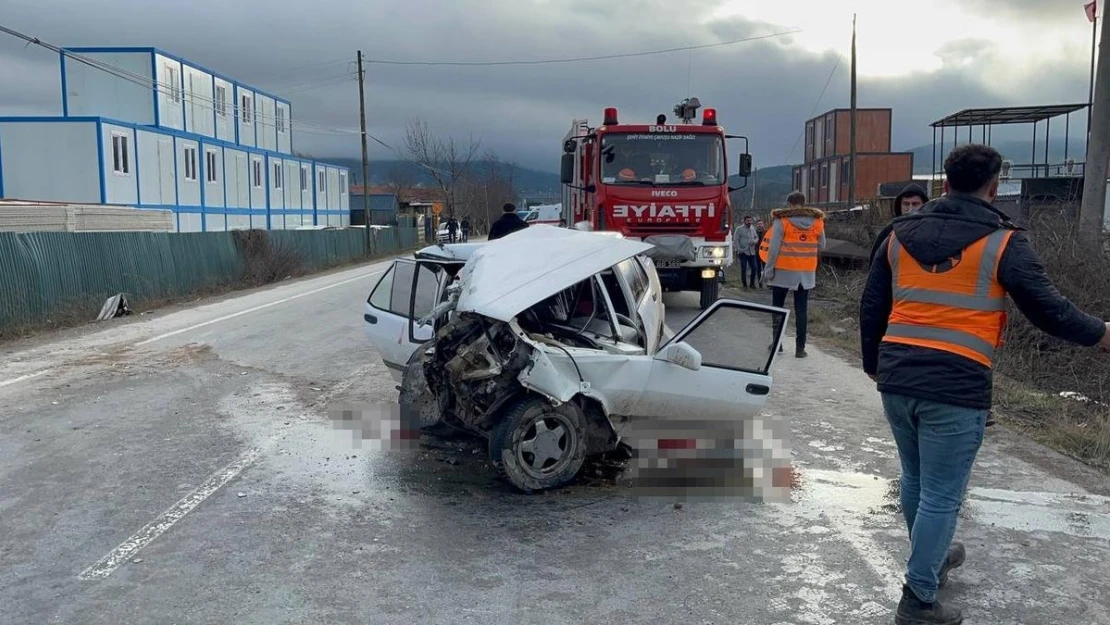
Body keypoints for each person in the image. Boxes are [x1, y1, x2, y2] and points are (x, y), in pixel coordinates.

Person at [860, 144, 1110, 624]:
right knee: (940, 493)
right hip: (956, 382)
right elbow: (1047, 309)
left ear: (945, 182)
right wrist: (1101, 334)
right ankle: (919, 600)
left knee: (915, 479)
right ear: (994, 186)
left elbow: (873, 307)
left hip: (898, 376)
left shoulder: (897, 234)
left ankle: (930, 560)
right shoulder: (1002, 241)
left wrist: (875, 365)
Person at [762, 191, 825, 358]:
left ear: (789, 204)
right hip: (806, 273)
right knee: (801, 310)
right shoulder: (818, 222)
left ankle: (777, 345)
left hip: (783, 271)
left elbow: (773, 248)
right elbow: (823, 245)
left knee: (777, 308)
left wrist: (768, 271)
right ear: (803, 203)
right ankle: (800, 348)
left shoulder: (782, 221)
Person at [869, 183, 930, 263]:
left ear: (924, 205)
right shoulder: (888, 233)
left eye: (915, 204)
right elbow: (875, 264)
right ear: (899, 206)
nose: (910, 209)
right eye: (906, 204)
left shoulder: (931, 231)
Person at [734, 215, 760, 289]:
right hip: (743, 252)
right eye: (748, 221)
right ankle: (745, 285)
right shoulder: (739, 229)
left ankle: (752, 284)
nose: (749, 222)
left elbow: (756, 237)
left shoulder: (752, 228)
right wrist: (739, 249)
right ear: (744, 221)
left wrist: (754, 242)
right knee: (744, 268)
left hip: (751, 251)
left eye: (750, 220)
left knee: (755, 268)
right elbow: (736, 240)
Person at [755, 218, 767, 287]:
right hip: (756, 253)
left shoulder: (766, 232)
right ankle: (760, 284)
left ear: (763, 225)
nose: (760, 225)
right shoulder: (754, 232)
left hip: (764, 252)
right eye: (758, 224)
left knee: (766, 268)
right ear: (756, 225)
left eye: (761, 224)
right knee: (758, 269)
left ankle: (768, 283)